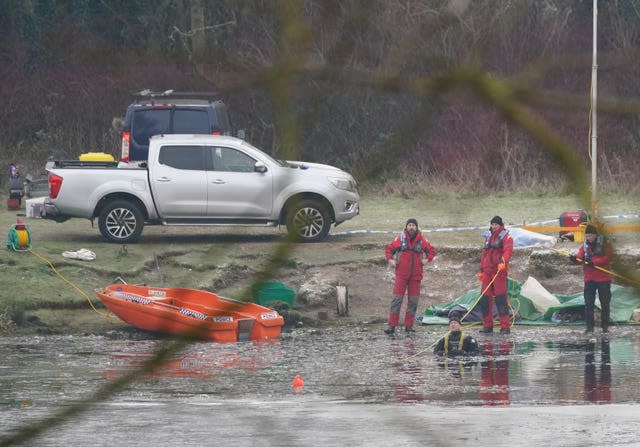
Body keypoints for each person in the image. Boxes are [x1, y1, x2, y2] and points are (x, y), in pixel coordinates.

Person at [383, 218, 436, 334]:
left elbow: (432, 251)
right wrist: (390, 260)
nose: (411, 227)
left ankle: (409, 326)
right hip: (401, 275)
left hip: (416, 277)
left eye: (413, 225)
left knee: (413, 302)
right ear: (406, 227)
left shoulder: (422, 240)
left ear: (416, 228)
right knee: (396, 301)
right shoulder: (400, 238)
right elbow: (389, 249)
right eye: (409, 225)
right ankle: (392, 326)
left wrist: (427, 260)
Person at [570, 224, 612, 333]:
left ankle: (605, 327)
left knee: (605, 303)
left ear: (595, 235)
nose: (587, 238)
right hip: (589, 280)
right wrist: (574, 259)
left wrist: (594, 262)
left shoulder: (605, 244)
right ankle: (589, 327)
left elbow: (608, 257)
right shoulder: (585, 246)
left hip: (603, 279)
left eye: (589, 236)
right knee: (588, 304)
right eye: (586, 236)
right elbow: (580, 256)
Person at [477, 216, 514, 335]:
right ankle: (487, 326)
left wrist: (503, 262)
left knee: (500, 299)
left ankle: (505, 327)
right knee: (484, 299)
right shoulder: (488, 237)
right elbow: (484, 254)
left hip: (499, 271)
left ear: (500, 225)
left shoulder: (506, 237)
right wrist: (481, 270)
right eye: (492, 224)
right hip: (487, 272)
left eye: (496, 225)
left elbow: (508, 251)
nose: (493, 227)